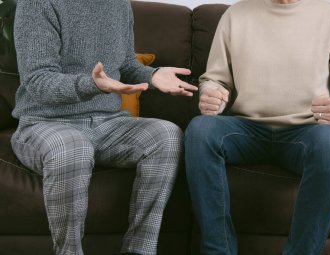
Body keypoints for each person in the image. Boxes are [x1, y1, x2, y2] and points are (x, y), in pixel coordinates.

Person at [184, 0, 330, 254]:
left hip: (307, 132)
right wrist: (212, 95)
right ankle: (218, 250)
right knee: (200, 130)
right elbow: (215, 78)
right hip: (246, 130)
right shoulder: (236, 15)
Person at [11, 0, 197, 255]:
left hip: (108, 123)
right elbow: (38, 81)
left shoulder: (118, 4)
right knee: (73, 148)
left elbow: (127, 66)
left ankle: (139, 249)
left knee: (167, 135)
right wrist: (92, 84)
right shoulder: (38, 4)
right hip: (44, 122)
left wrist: (152, 76)